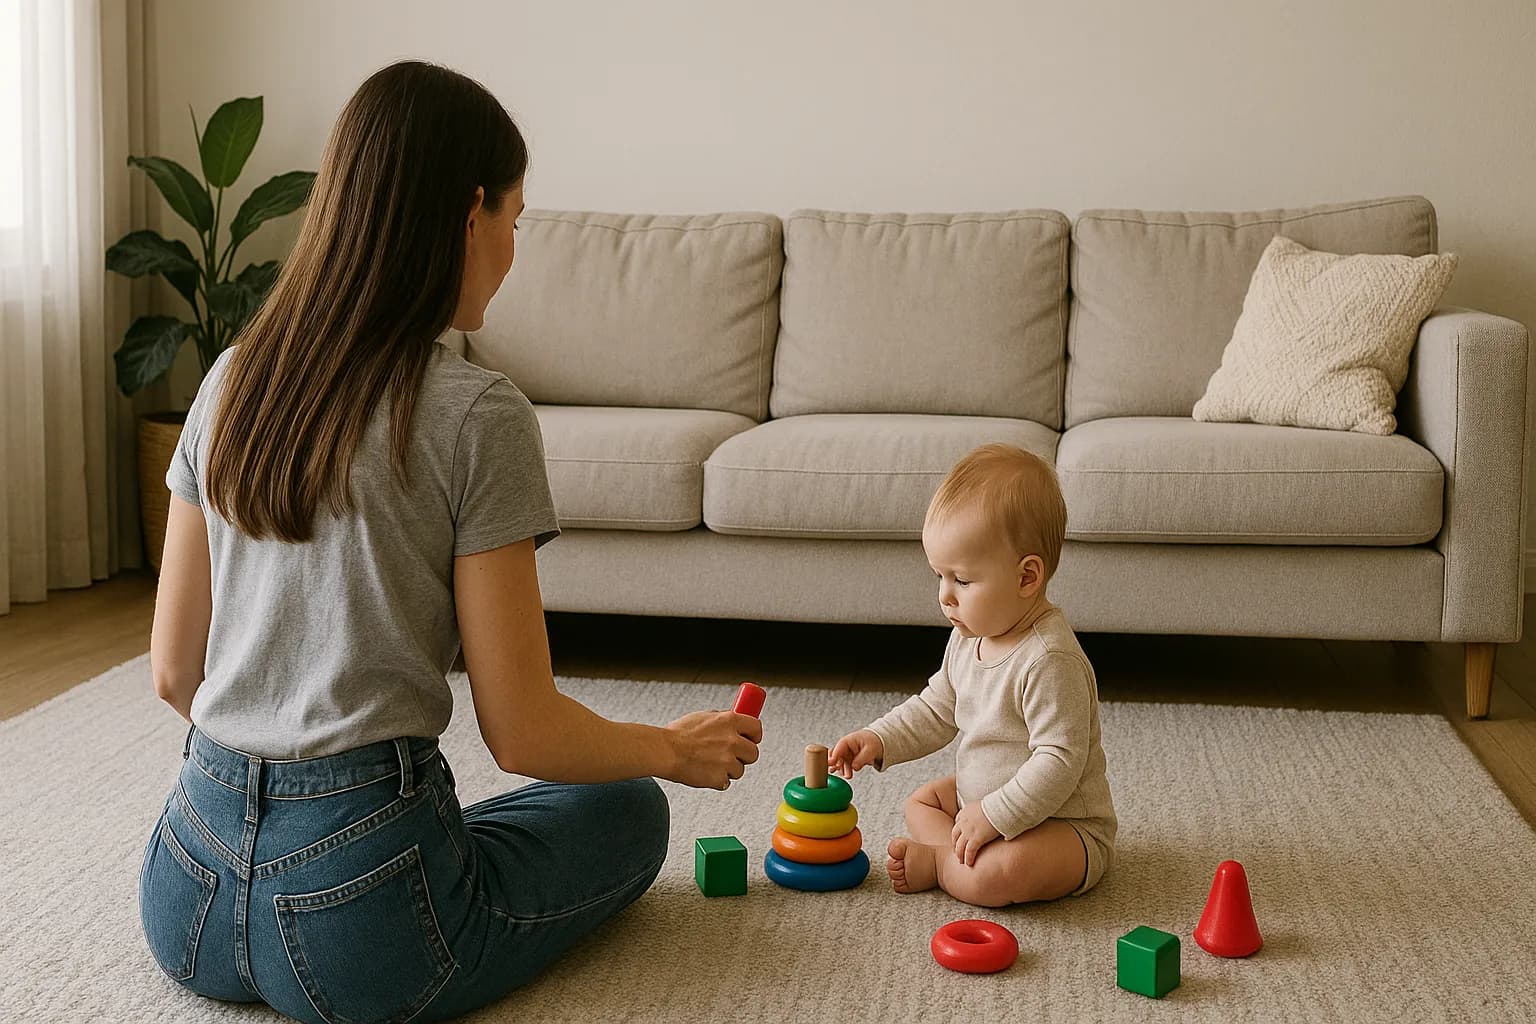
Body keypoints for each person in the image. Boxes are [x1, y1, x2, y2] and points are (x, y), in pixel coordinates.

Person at [139, 60, 761, 1024]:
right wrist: (668, 748)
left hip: (187, 894)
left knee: (480, 824)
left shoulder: (230, 378)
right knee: (628, 808)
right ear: (469, 213)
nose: (515, 249)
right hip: (359, 927)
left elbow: (175, 674)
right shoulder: (478, 413)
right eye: (516, 217)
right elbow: (522, 733)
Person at [827, 443, 1116, 907]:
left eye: (962, 580)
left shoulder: (1049, 659)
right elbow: (935, 707)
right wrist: (878, 739)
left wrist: (996, 814)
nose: (946, 596)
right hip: (977, 803)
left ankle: (944, 864)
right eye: (939, 576)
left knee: (1001, 875)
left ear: (1027, 578)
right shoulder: (968, 637)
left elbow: (1060, 762)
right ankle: (962, 854)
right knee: (920, 802)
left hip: (1063, 826)